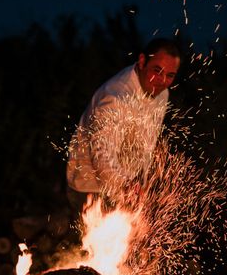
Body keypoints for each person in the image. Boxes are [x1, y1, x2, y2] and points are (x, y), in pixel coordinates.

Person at [66, 38, 182, 215]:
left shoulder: (162, 94)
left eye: (170, 75)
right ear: (142, 61)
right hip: (90, 188)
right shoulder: (116, 96)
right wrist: (126, 187)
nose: (161, 80)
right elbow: (101, 153)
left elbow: (147, 146)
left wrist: (140, 187)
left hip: (126, 189)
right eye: (157, 71)